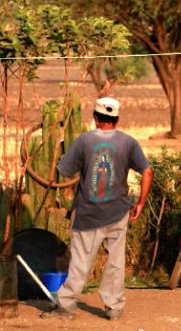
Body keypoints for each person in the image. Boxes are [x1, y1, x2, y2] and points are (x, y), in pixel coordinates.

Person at [41, 96, 152, 321]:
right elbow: (147, 171)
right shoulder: (129, 142)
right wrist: (140, 203)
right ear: (117, 119)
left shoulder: (84, 141)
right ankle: (114, 309)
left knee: (81, 262)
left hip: (89, 214)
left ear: (95, 117)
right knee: (116, 263)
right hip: (119, 212)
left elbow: (65, 170)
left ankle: (66, 307)